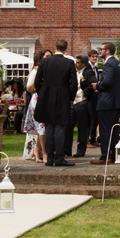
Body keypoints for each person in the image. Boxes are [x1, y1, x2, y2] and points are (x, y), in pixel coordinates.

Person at [34, 39, 78, 167]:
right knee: (60, 127)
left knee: (49, 127)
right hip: (63, 97)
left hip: (47, 97)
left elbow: (38, 81)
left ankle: (50, 158)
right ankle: (59, 157)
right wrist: (70, 97)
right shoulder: (69, 63)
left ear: (55, 47)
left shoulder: (44, 61)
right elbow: (74, 83)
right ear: (66, 48)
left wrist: (42, 93)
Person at [92, 42, 120, 164]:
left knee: (105, 129)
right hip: (116, 102)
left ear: (107, 51)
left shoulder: (108, 64)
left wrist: (97, 85)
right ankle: (115, 155)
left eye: (101, 50)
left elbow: (106, 82)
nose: (99, 52)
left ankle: (105, 156)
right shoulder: (118, 63)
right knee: (115, 129)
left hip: (107, 102)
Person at [69, 55, 93, 157]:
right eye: (76, 62)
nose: (76, 64)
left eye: (78, 62)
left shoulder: (88, 72)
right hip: (73, 102)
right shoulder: (74, 72)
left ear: (84, 64)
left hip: (82, 102)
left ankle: (81, 150)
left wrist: (85, 93)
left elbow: (93, 83)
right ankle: (66, 149)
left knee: (82, 128)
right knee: (68, 126)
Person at [87, 49, 101, 146]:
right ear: (89, 57)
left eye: (96, 56)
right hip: (89, 94)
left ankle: (93, 139)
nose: (95, 58)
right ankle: (86, 140)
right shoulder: (87, 67)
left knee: (95, 118)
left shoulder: (95, 68)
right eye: (93, 57)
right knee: (89, 117)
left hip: (96, 94)